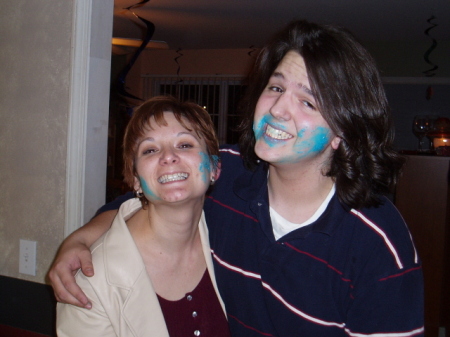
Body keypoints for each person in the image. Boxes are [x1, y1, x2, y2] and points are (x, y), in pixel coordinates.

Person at [50, 20, 424, 336]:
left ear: (345, 132)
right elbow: (151, 195)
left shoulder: (377, 242)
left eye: (308, 102)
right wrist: (79, 240)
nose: (278, 108)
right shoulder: (226, 173)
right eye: (276, 88)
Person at [56, 96, 231, 337]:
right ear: (136, 180)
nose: (168, 156)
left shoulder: (229, 233)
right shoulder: (91, 283)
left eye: (185, 145)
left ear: (214, 168)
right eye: (150, 149)